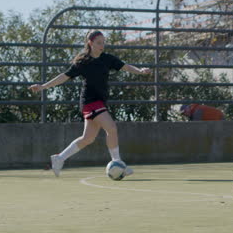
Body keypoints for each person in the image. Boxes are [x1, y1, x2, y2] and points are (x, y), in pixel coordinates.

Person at [29, 30, 151, 177]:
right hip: (90, 102)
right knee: (111, 128)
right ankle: (118, 162)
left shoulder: (107, 59)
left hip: (99, 102)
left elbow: (125, 66)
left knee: (88, 138)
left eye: (103, 42)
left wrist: (140, 70)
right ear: (90, 43)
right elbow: (64, 76)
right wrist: (43, 86)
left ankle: (59, 158)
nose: (102, 45)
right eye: (99, 42)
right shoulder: (83, 62)